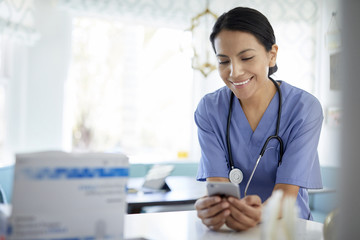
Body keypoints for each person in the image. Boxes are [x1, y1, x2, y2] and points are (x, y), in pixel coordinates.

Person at [194, 6, 323, 231]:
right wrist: (214, 209)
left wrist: (259, 213)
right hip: (232, 231)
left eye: (246, 57)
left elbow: (286, 195)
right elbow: (219, 189)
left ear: (271, 55)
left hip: (287, 229)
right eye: (224, 61)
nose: (234, 72)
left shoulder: (304, 109)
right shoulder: (209, 109)